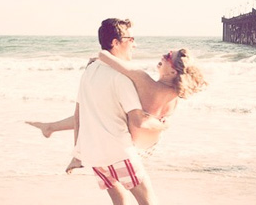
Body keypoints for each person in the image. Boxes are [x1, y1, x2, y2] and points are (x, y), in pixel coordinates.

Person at [71, 18, 181, 205]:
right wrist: (163, 126)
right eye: (130, 39)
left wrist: (77, 153)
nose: (135, 43)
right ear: (115, 43)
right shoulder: (122, 77)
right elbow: (138, 121)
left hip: (94, 155)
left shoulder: (89, 71)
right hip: (118, 152)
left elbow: (79, 115)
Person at [27, 45, 206, 170]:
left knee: (100, 112)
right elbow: (154, 122)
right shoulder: (176, 96)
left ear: (173, 72)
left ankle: (57, 134)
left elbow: (104, 55)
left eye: (167, 57)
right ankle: (51, 127)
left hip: (127, 148)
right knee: (108, 111)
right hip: (148, 149)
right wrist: (163, 125)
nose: (162, 56)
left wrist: (97, 61)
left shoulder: (143, 79)